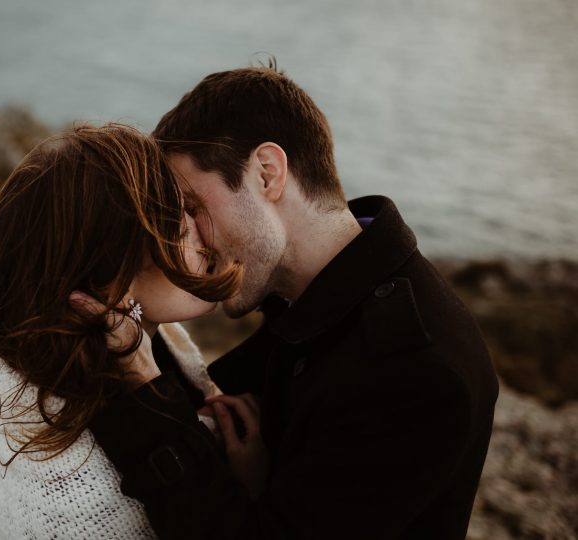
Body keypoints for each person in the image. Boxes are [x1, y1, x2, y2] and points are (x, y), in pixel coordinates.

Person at [84, 66, 500, 539]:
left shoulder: (415, 373)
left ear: (267, 172)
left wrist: (141, 385)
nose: (187, 239)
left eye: (193, 207)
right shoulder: (310, 295)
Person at [0, 124, 243, 539]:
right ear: (106, 270)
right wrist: (242, 490)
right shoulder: (86, 489)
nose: (206, 237)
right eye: (178, 228)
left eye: (192, 212)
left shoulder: (153, 354)